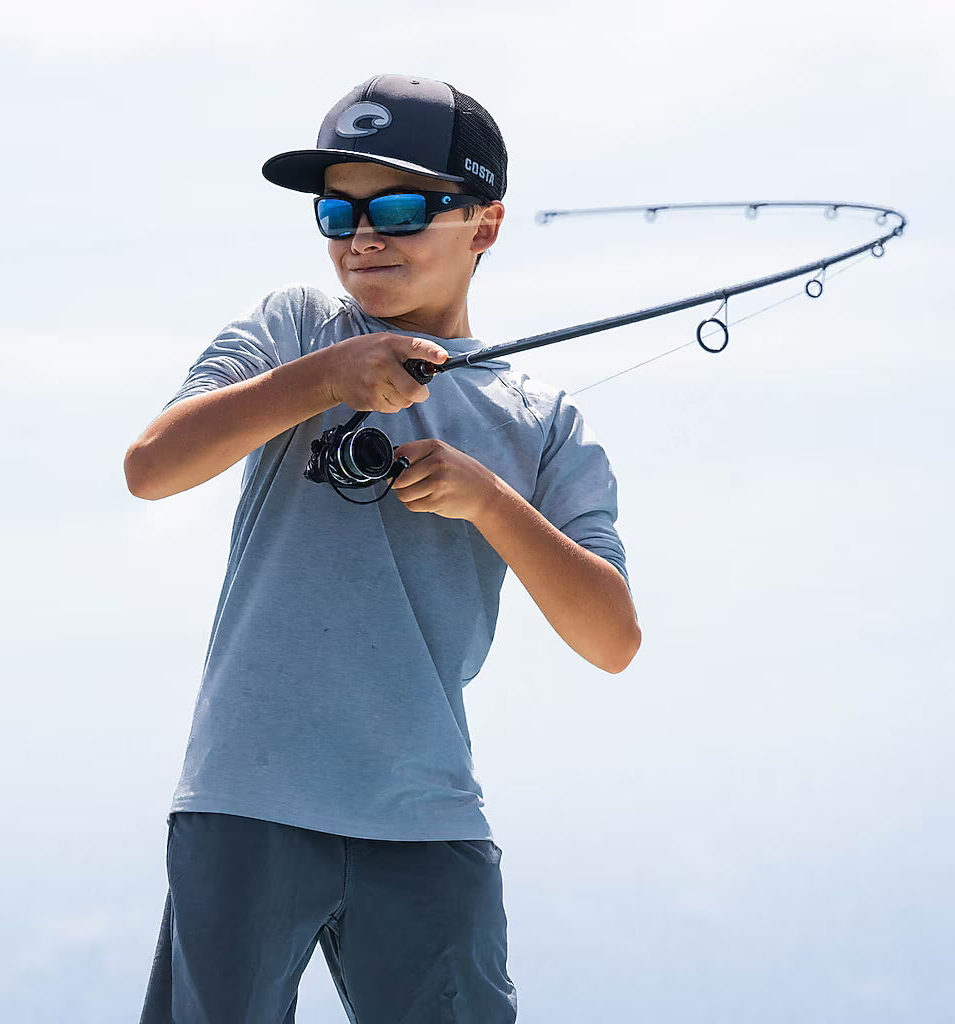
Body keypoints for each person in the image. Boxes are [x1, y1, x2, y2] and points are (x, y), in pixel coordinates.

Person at [127, 73, 641, 1024]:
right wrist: (326, 378)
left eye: (401, 208)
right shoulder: (294, 328)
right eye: (338, 211)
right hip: (243, 800)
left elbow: (612, 638)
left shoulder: (544, 420)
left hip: (426, 817)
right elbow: (152, 467)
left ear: (484, 223)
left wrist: (488, 501)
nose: (364, 235)